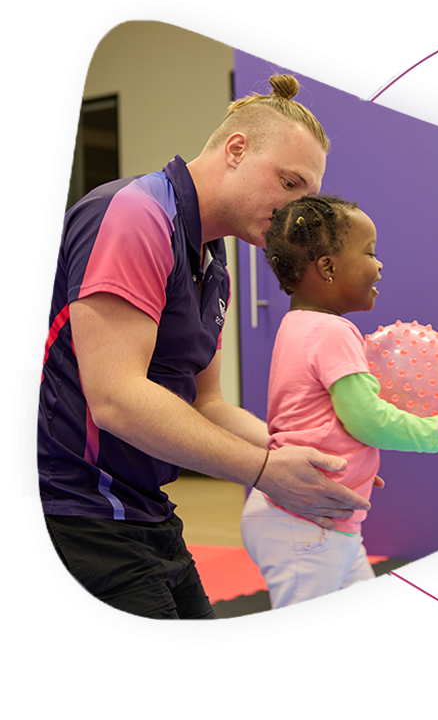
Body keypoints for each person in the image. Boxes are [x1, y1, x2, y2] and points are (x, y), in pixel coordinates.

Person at [12, 75, 376, 621]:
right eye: (289, 183)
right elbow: (116, 397)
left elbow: (209, 405)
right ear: (235, 150)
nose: (299, 215)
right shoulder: (134, 214)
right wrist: (264, 470)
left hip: (146, 507)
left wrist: (321, 459)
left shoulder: (215, 262)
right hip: (73, 508)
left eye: (309, 195)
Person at [241, 195, 438, 610]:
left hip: (323, 522)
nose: (379, 265)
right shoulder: (335, 332)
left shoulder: (296, 326)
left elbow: (319, 421)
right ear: (328, 268)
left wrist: (358, 464)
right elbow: (367, 419)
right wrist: (432, 432)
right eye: (370, 253)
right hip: (307, 525)